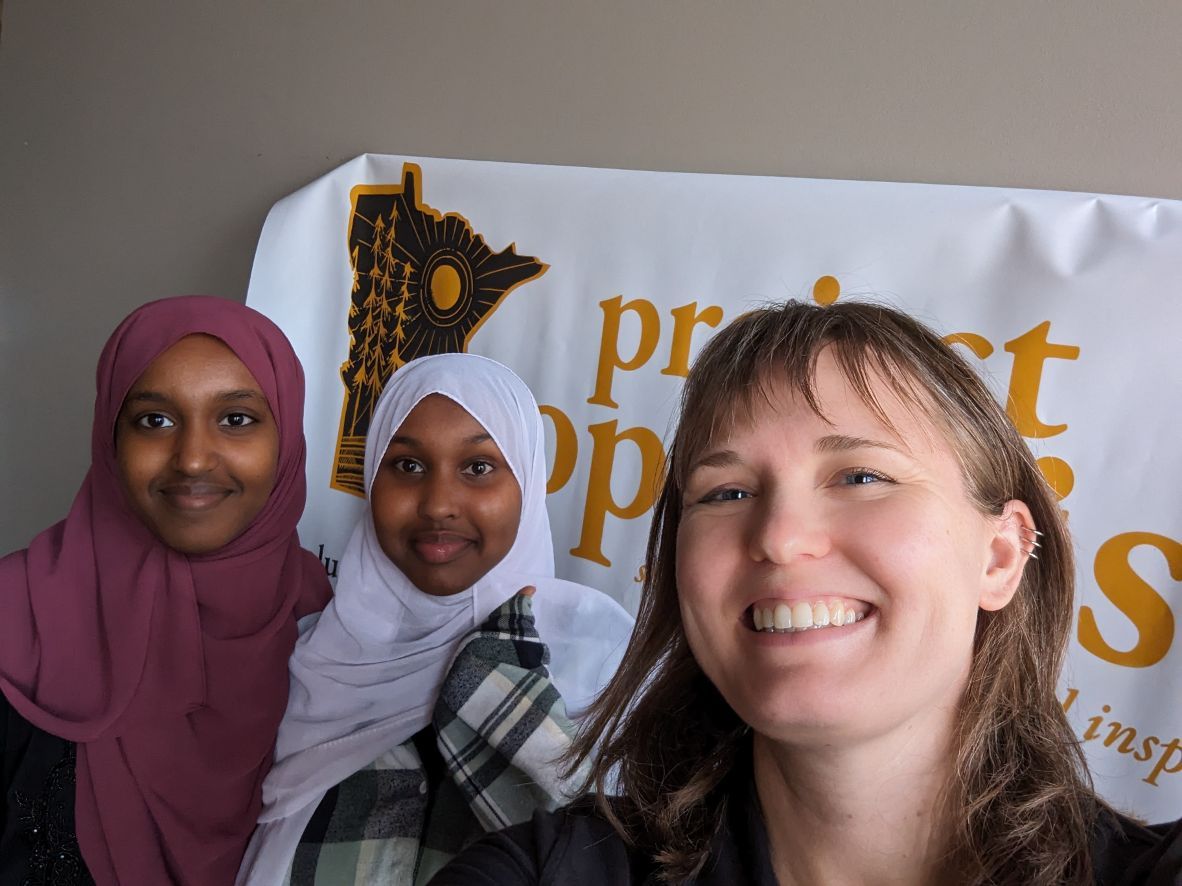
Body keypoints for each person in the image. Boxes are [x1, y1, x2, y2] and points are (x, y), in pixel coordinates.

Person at [431, 300, 1182, 886]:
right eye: (724, 492)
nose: (780, 537)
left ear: (999, 555)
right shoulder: (542, 873)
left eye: (861, 476)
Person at [237, 353, 633, 886]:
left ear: (528, 484)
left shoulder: (597, 662)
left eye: (478, 468)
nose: (439, 504)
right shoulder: (309, 661)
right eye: (408, 466)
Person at [0, 296, 333, 886]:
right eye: (154, 420)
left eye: (236, 419)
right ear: (111, 437)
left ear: (287, 441)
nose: (194, 459)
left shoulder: (337, 636)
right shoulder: (15, 616)